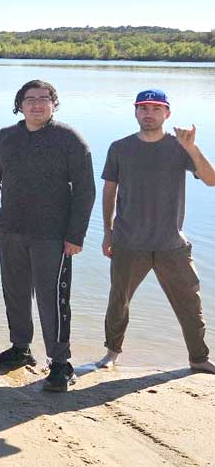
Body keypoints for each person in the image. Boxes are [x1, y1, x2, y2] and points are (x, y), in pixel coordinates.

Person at [0, 80, 95, 392]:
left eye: (44, 99)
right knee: (14, 292)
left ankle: (60, 364)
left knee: (52, 300)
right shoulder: (6, 138)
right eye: (30, 99)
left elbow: (86, 191)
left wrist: (76, 235)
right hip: (11, 231)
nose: (37, 105)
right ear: (20, 105)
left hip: (53, 236)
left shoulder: (69, 139)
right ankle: (20, 349)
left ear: (54, 104)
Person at [97, 89, 215, 373]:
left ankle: (198, 359)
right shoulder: (120, 147)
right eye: (143, 108)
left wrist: (192, 148)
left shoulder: (180, 147)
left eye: (156, 108)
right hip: (128, 242)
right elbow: (109, 191)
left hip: (171, 243)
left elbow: (211, 180)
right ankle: (111, 354)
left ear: (167, 114)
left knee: (190, 303)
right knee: (118, 302)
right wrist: (107, 231)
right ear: (136, 112)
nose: (149, 113)